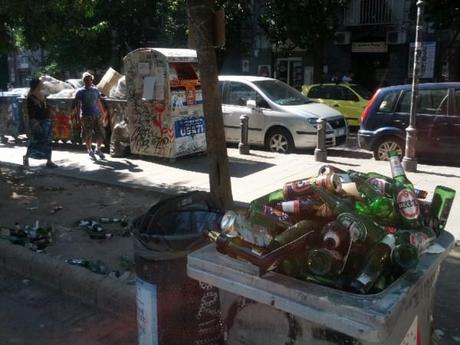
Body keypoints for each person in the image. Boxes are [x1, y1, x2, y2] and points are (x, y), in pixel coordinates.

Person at [23, 79, 58, 168]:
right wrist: (34, 122)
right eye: (41, 83)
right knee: (35, 141)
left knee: (48, 141)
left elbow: (44, 106)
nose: (42, 84)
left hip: (46, 120)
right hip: (36, 122)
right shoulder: (30, 97)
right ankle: (26, 157)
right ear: (37, 85)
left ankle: (49, 161)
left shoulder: (42, 94)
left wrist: (52, 108)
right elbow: (31, 112)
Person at [75, 72, 107, 159]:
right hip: (86, 116)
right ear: (83, 81)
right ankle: (90, 150)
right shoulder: (80, 92)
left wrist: (103, 114)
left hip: (97, 115)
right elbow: (77, 106)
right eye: (86, 79)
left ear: (92, 80)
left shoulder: (95, 90)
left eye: (89, 79)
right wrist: (78, 117)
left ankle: (98, 149)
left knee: (101, 133)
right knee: (87, 135)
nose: (88, 81)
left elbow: (98, 102)